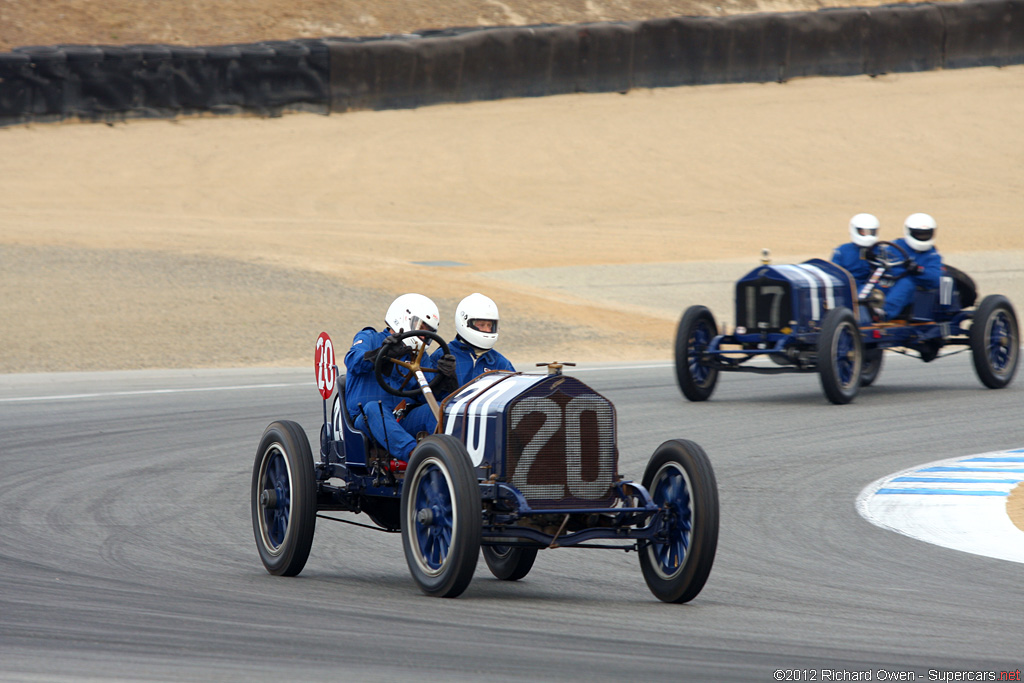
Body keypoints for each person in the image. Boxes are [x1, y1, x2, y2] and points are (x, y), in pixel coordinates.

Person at [342, 293, 456, 462]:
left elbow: (425, 396)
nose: (424, 336)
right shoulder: (369, 337)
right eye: (421, 327)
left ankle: (453, 457)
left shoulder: (420, 356)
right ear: (403, 318)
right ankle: (416, 456)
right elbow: (353, 361)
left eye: (429, 332)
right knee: (375, 409)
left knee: (439, 408)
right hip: (366, 419)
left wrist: (446, 379)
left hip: (403, 418)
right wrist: (383, 352)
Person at [431, 293, 516, 399]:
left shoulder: (501, 364)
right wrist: (440, 383)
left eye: (490, 325)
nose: (487, 330)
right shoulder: (443, 357)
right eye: (481, 325)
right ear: (465, 322)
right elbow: (425, 398)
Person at [879, 213, 943, 320]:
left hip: (917, 290)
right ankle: (858, 307)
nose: (922, 237)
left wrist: (918, 270)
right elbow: (889, 267)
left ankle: (884, 313)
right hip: (890, 281)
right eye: (918, 234)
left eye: (925, 234)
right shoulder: (895, 246)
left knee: (906, 283)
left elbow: (935, 278)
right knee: (873, 279)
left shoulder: (933, 254)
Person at [831, 213, 881, 287]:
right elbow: (834, 274)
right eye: (863, 232)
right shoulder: (842, 251)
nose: (868, 235)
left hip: (873, 287)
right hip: (850, 287)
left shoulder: (880, 251)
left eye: (871, 232)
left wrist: (877, 260)